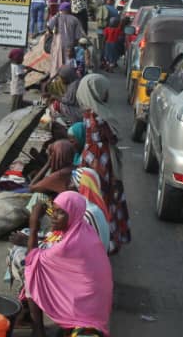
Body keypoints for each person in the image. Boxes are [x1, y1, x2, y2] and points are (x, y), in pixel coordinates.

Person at [13, 191, 113, 337]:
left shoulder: (71, 243)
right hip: (94, 304)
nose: (53, 216)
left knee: (32, 271)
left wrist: (34, 224)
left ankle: (38, 330)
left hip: (85, 307)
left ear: (73, 214)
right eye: (53, 210)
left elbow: (33, 259)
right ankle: (64, 326)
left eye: (60, 213)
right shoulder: (83, 230)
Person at [75, 74, 131, 252]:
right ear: (96, 91)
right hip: (101, 161)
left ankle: (91, 236)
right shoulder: (99, 116)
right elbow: (113, 138)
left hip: (90, 158)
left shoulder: (86, 112)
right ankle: (107, 238)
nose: (107, 94)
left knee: (91, 197)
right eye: (104, 90)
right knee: (105, 197)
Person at [47, 3, 85, 75]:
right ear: (69, 9)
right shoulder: (75, 19)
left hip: (58, 44)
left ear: (61, 9)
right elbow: (78, 37)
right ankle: (68, 78)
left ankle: (55, 79)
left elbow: (49, 26)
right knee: (69, 64)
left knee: (57, 62)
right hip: (70, 45)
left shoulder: (57, 17)